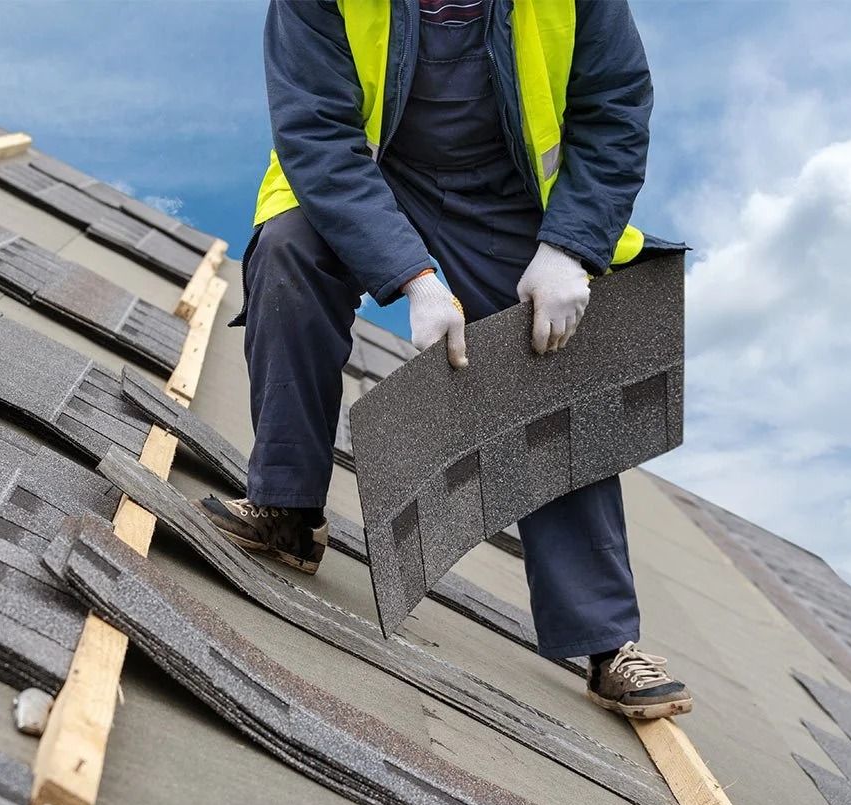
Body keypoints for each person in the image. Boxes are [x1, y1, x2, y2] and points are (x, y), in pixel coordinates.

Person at [193, 0, 692, 718]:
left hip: (508, 199)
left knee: (551, 348)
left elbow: (614, 110)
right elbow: (317, 136)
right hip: (372, 181)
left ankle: (607, 640)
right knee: (287, 255)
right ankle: (287, 509)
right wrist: (413, 277)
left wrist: (571, 247)